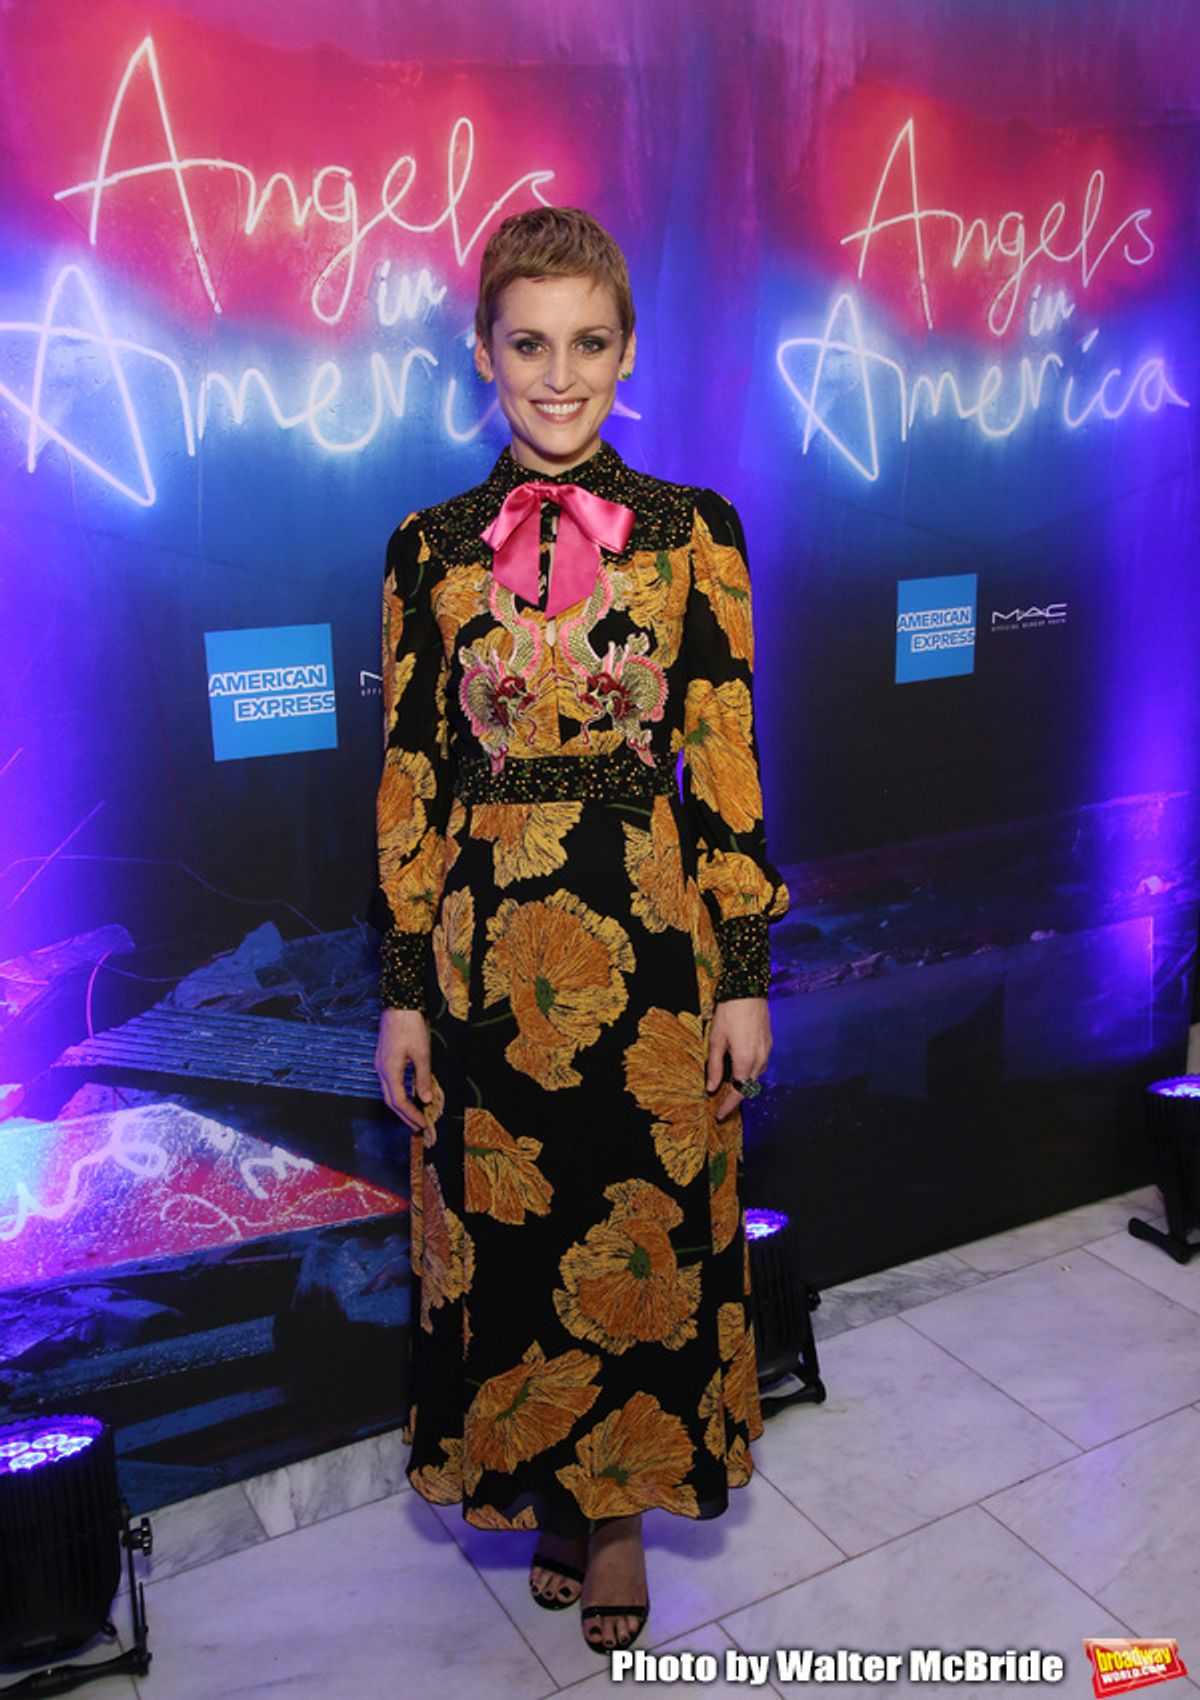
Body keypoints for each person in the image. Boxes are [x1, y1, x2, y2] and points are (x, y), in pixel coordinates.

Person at [371, 205, 789, 1656]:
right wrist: (404, 990)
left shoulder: (695, 533)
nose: (559, 376)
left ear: (627, 350)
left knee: (642, 1234)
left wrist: (744, 974)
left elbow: (724, 758)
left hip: (654, 946)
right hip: (484, 955)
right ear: (482, 353)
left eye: (589, 343)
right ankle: (550, 1480)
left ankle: (617, 1517)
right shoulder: (427, 549)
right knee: (516, 1237)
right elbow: (411, 782)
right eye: (528, 343)